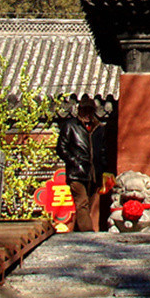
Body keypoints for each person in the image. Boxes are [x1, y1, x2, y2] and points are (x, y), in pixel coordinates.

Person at [55, 96, 107, 232]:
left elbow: (102, 150)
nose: (87, 114)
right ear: (79, 111)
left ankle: (77, 233)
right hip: (77, 173)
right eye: (84, 110)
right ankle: (88, 234)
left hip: (94, 173)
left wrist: (103, 168)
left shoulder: (98, 128)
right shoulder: (71, 126)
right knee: (82, 203)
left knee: (88, 205)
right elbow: (61, 148)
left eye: (90, 110)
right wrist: (74, 161)